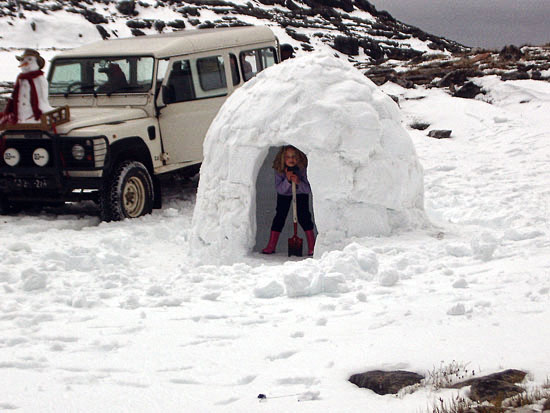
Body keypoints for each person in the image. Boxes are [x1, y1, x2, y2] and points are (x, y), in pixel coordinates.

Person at [262, 145, 316, 256]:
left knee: (304, 217)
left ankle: (312, 246)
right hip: (285, 194)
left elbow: (308, 189)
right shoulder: (279, 170)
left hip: (300, 193)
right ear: (283, 158)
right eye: (288, 157)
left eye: (294, 156)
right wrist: (287, 180)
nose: (291, 159)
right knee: (280, 217)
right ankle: (271, 245)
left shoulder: (303, 169)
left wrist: (299, 182)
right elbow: (279, 189)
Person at [1, 48, 53, 125]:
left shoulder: (39, 79)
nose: (24, 62)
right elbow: (15, 96)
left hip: (34, 115)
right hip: (21, 116)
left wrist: (41, 109)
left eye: (29, 60)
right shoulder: (21, 78)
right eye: (22, 60)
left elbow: (42, 98)